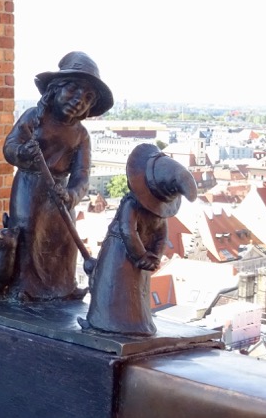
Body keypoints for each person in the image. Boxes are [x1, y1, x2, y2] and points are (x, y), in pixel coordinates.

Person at [1, 51, 113, 300]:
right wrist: (23, 153)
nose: (79, 100)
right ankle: (25, 287)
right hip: (29, 189)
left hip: (60, 195)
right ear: (55, 89)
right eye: (73, 90)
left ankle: (63, 288)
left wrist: (71, 195)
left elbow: (82, 176)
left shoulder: (81, 135)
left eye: (88, 97)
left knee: (63, 241)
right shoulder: (34, 117)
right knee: (29, 234)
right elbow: (9, 147)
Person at [82, 143, 196, 336]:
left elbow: (157, 236)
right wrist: (145, 256)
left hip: (130, 255)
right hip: (123, 253)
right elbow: (129, 231)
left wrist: (151, 257)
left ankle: (126, 324)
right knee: (117, 286)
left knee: (127, 290)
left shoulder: (148, 209)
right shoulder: (134, 205)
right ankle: (108, 322)